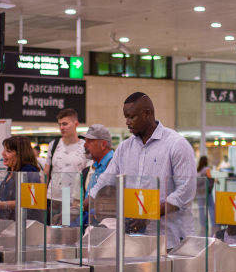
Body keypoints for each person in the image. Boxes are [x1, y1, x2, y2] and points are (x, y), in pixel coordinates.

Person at [83, 92, 197, 249]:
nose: (127, 122)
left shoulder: (176, 144)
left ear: (147, 114)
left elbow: (185, 191)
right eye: (126, 117)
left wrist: (149, 214)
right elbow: (105, 180)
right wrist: (81, 206)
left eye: (132, 117)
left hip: (171, 241)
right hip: (135, 241)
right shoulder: (125, 148)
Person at [45, 109, 89, 225]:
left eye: (65, 124)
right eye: (60, 124)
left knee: (68, 235)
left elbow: (88, 176)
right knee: (52, 233)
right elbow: (46, 172)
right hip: (52, 197)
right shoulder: (53, 145)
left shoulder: (85, 146)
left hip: (72, 199)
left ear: (76, 124)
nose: (62, 128)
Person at [0, 136, 44, 222]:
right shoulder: (11, 171)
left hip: (24, 226)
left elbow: (32, 202)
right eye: (4, 150)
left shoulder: (30, 171)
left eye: (8, 151)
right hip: (8, 224)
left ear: (20, 154)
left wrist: (1, 205)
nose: (3, 153)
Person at [81, 125, 115, 227]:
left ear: (103, 144)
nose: (85, 145)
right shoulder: (93, 166)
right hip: (90, 222)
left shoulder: (114, 165)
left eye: (89, 141)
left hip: (105, 226)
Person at [197, 155, 215, 231]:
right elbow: (210, 177)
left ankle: (203, 225)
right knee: (211, 207)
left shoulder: (198, 170)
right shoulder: (207, 169)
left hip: (199, 192)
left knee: (201, 209)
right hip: (207, 191)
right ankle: (213, 223)